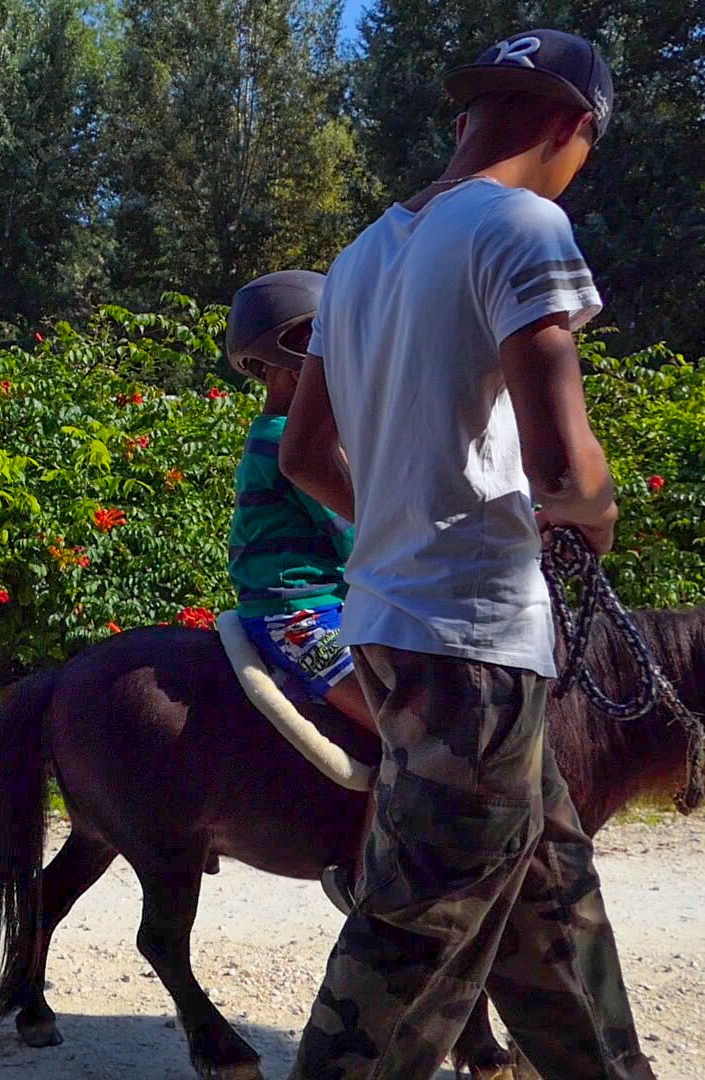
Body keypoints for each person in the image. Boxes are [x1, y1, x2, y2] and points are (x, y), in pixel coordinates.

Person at [278, 29, 653, 1078]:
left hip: (392, 626)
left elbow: (306, 454)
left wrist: (407, 517)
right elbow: (565, 468)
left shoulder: (360, 258)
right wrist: (596, 512)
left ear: (465, 119)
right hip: (475, 642)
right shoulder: (523, 223)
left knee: (552, 902)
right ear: (575, 126)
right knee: (415, 939)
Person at [225, 270, 372, 735]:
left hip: (327, 606)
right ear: (299, 371)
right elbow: (355, 536)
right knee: (406, 724)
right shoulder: (295, 445)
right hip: (302, 619)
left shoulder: (270, 434)